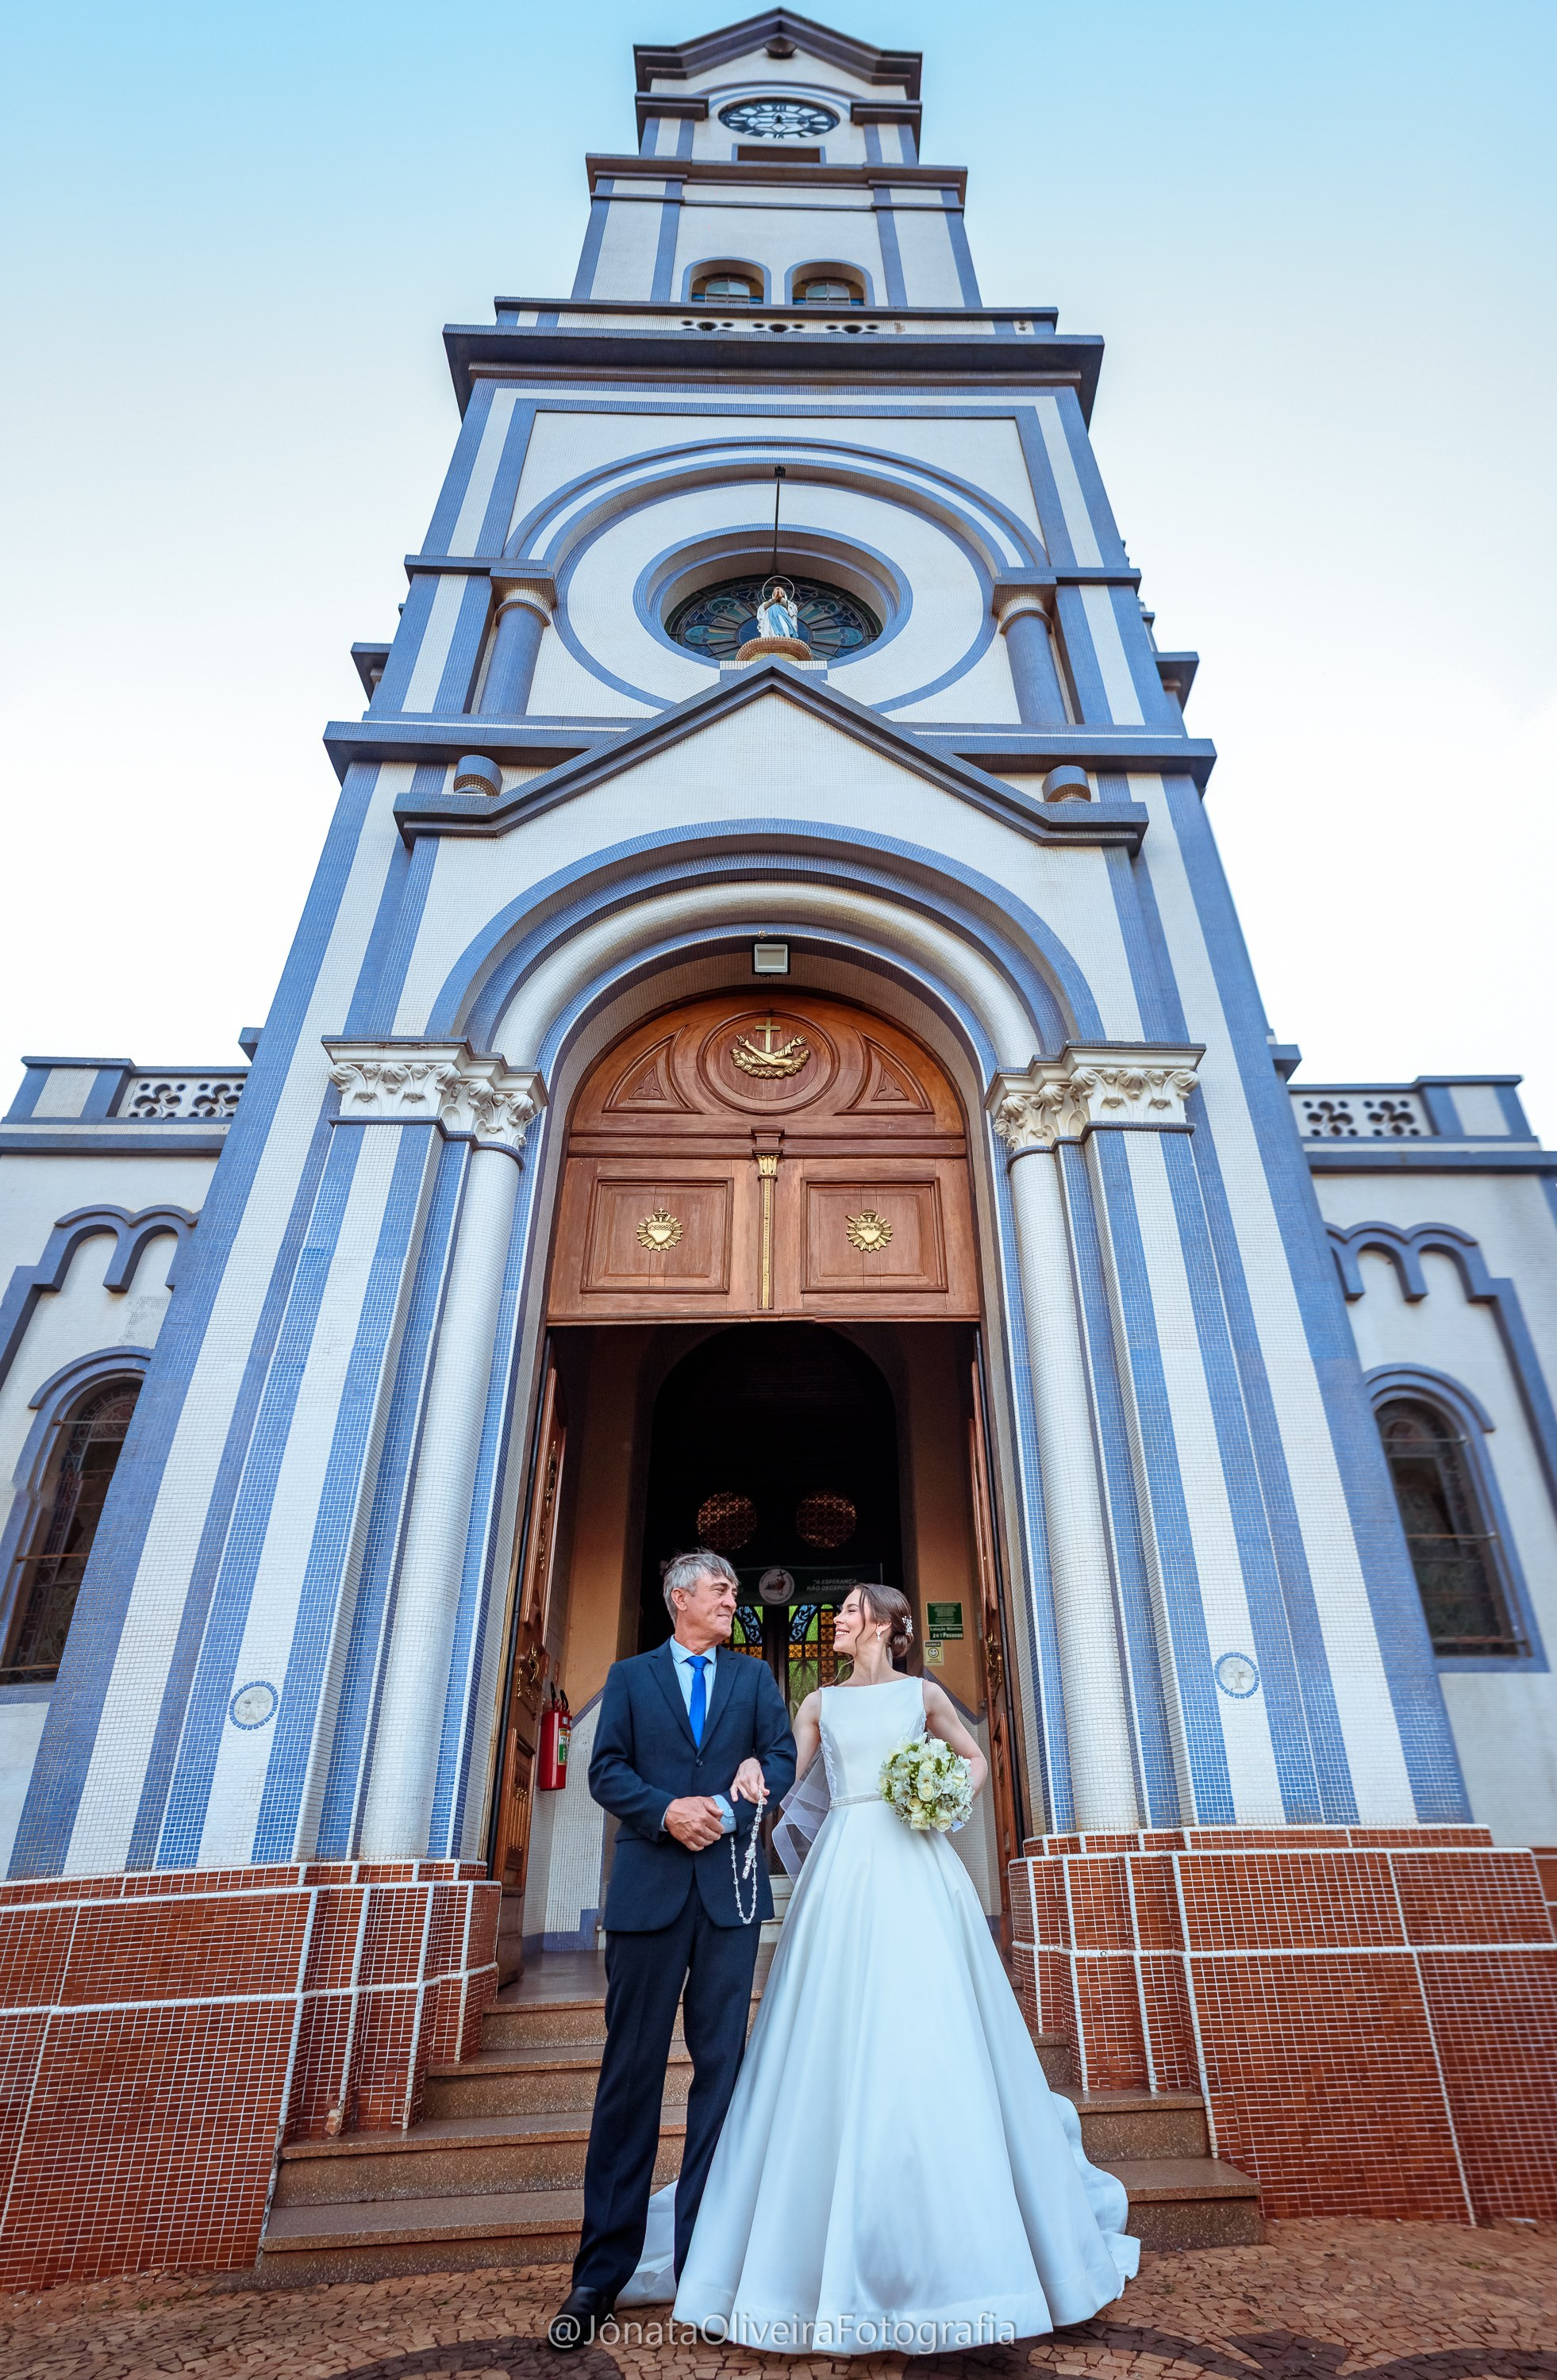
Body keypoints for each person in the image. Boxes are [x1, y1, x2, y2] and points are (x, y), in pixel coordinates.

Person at [620, 1581, 1139, 2354]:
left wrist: (939, 1795)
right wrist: (748, 1784)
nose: (839, 1619)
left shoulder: (924, 1694)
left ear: (891, 1626)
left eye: (852, 1609)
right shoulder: (819, 1705)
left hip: (916, 1860)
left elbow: (975, 1758)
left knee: (929, 2018)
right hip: (844, 1868)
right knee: (831, 2023)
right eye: (841, 1612)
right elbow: (789, 1780)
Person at [548, 1549, 796, 2352]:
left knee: (722, 2075)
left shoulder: (755, 1680)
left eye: (731, 1587)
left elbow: (783, 1759)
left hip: (728, 1899)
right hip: (649, 1900)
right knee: (632, 2078)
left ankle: (706, 2265)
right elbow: (607, 1772)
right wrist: (666, 1811)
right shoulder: (628, 1678)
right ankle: (600, 2273)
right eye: (720, 1587)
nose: (732, 1596)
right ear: (679, 1599)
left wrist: (740, 1792)